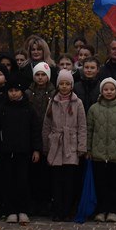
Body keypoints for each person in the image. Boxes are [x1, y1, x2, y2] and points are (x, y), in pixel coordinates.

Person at [0, 78, 40, 223]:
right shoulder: (1, 109)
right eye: (11, 91)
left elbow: (35, 130)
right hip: (5, 152)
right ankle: (10, 210)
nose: (13, 94)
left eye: (16, 91)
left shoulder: (28, 109)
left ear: (21, 92)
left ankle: (23, 209)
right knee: (8, 181)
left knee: (23, 181)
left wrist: (36, 149)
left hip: (24, 152)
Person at [42, 69, 86, 221]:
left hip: (71, 145)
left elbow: (82, 126)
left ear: (72, 85)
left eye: (68, 84)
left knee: (69, 180)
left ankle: (67, 210)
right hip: (56, 144)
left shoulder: (77, 102)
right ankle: (57, 210)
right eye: (62, 83)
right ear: (58, 84)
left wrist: (81, 147)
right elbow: (46, 124)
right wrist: (46, 145)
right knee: (56, 180)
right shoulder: (52, 101)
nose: (65, 86)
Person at [87, 77, 116, 222]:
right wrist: (88, 149)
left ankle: (114, 210)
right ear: (101, 91)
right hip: (98, 154)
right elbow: (89, 130)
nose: (109, 92)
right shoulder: (94, 108)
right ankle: (101, 210)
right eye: (106, 89)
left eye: (112, 89)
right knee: (100, 184)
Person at [25, 62, 55, 214]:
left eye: (43, 74)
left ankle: (46, 202)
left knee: (47, 173)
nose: (40, 77)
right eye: (37, 74)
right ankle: (34, 202)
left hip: (50, 135)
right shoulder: (28, 93)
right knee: (34, 172)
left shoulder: (54, 93)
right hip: (33, 135)